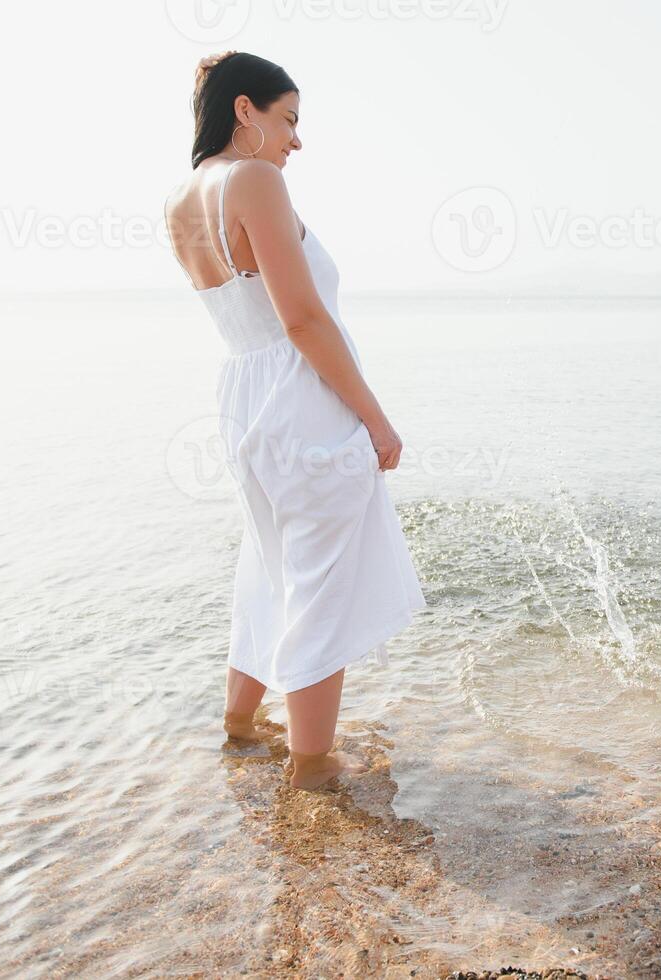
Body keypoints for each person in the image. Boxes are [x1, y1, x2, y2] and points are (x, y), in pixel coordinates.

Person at [164, 52, 425, 788]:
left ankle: (242, 724)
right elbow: (305, 320)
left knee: (268, 563)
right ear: (244, 110)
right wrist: (375, 418)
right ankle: (313, 769)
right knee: (321, 583)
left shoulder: (181, 199)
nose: (296, 141)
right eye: (289, 120)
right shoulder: (253, 181)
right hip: (301, 394)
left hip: (244, 396)